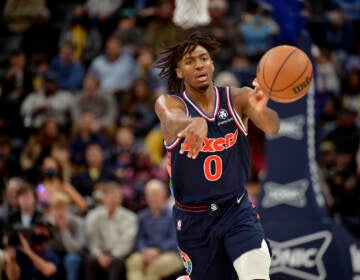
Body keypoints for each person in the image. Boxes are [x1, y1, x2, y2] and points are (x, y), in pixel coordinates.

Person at [155, 33, 279, 279]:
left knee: (256, 272)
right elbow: (171, 118)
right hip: (193, 218)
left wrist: (261, 109)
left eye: (204, 58)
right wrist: (192, 123)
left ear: (212, 64)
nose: (199, 64)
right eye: (190, 61)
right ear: (179, 72)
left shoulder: (237, 98)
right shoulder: (170, 103)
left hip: (235, 208)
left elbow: (273, 127)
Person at [126, 179, 183, 280]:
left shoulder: (173, 215)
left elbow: (175, 240)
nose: (153, 198)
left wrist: (158, 250)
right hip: (146, 252)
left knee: (154, 267)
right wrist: (144, 251)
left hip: (170, 253)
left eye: (156, 194)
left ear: (164, 195)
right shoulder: (142, 216)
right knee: (133, 262)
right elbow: (140, 238)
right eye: (149, 195)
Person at [85, 182, 138, 280]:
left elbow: (127, 242)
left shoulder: (130, 217)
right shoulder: (93, 216)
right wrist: (99, 255)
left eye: (116, 196)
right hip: (100, 254)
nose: (113, 199)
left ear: (121, 199)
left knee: (116, 262)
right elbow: (92, 240)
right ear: (103, 198)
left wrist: (112, 256)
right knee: (90, 260)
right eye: (110, 196)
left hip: (119, 255)